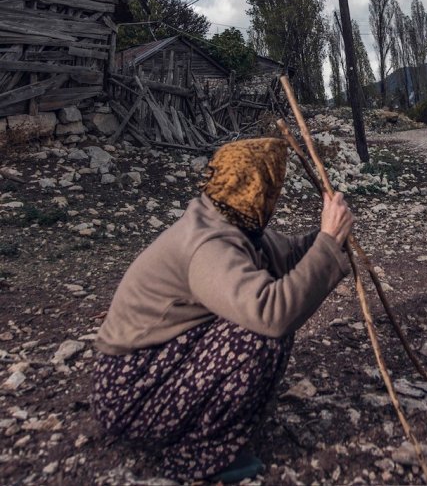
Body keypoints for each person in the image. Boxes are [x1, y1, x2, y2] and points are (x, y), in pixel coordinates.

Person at [91, 137, 354, 483]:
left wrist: (329, 236)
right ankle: (199, 455)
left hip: (157, 364)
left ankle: (203, 427)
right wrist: (327, 246)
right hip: (131, 395)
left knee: (259, 321)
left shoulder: (228, 218)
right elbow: (272, 313)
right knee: (260, 335)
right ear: (259, 191)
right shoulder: (208, 244)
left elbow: (287, 256)